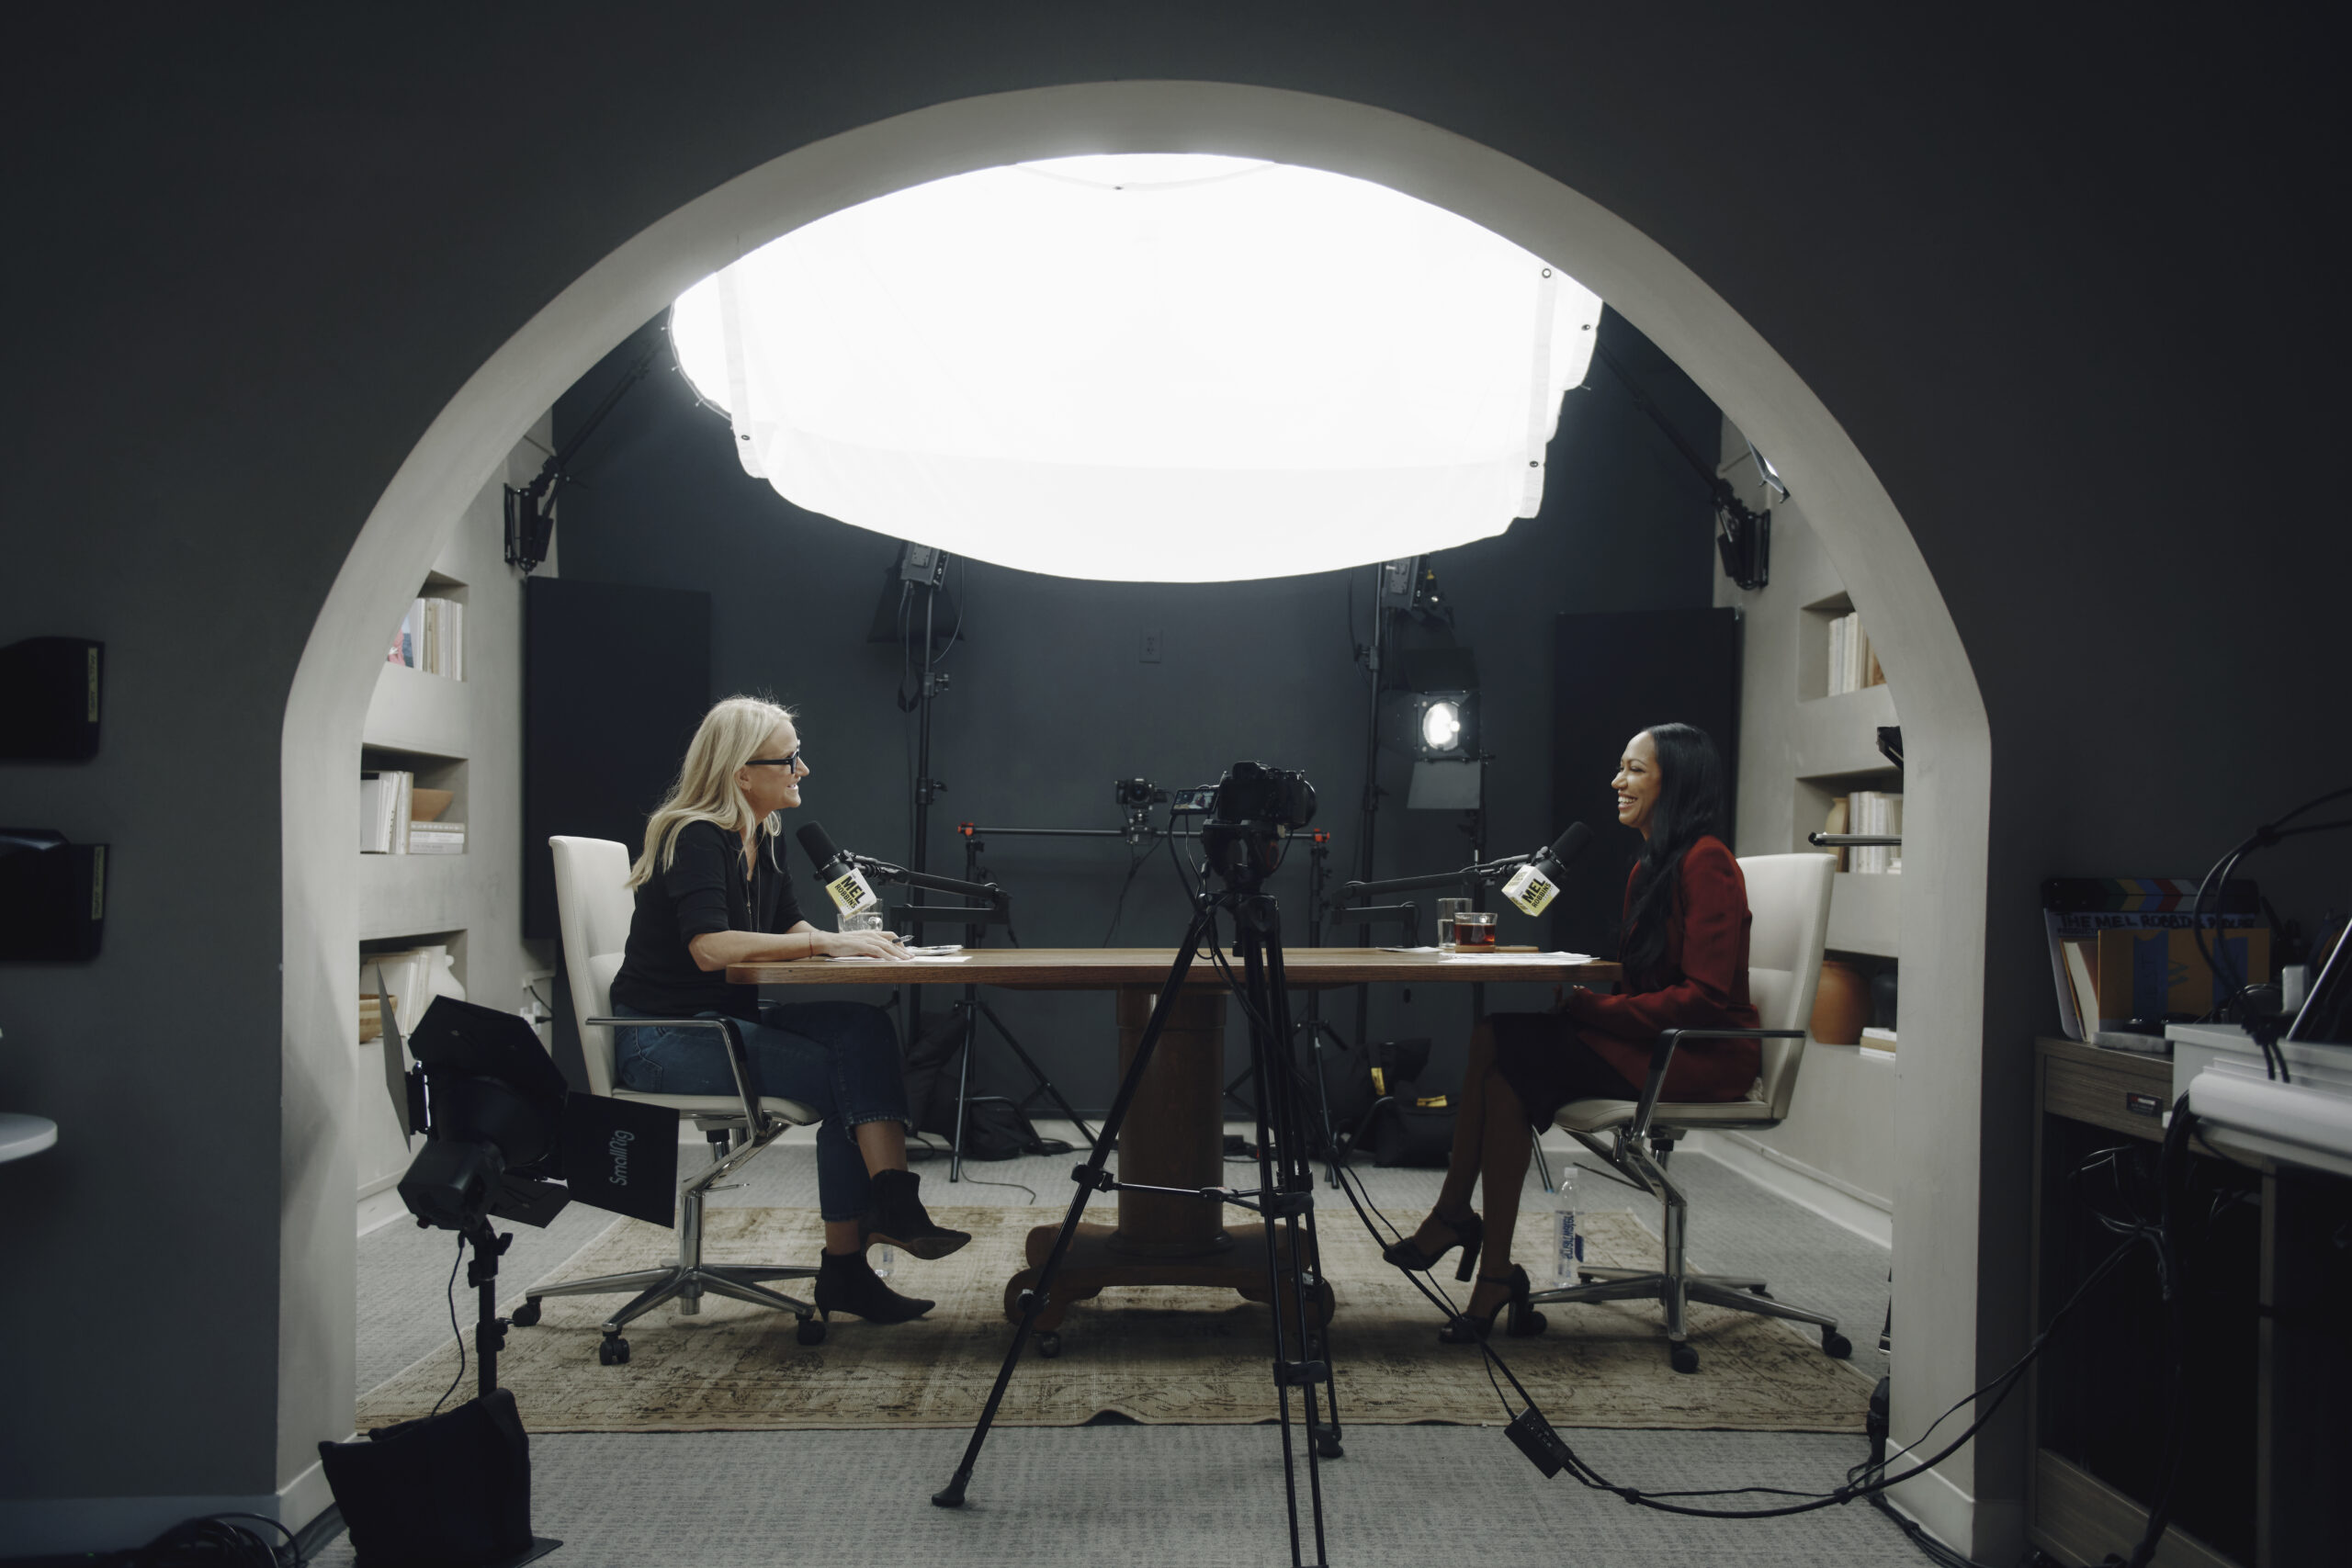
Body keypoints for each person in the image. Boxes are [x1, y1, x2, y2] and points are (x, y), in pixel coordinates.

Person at [1385, 721, 1760, 1342]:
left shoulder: (1708, 862)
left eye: (1635, 769)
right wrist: (1590, 1001)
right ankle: (1493, 1268)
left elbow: (1702, 1000)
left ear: (1678, 782)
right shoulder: (1652, 870)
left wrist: (1591, 1009)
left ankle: (1457, 1220)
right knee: (1500, 1053)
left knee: (1502, 1043)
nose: (1618, 780)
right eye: (1621, 767)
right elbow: (1647, 983)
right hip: (1655, 1041)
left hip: (1696, 1055)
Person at [607, 694, 967, 1328]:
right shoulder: (696, 836)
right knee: (844, 1081)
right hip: (664, 1039)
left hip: (725, 1024)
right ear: (743, 772)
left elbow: (789, 926)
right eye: (790, 759)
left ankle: (888, 1207)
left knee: (863, 1028)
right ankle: (852, 1260)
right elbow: (710, 947)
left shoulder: (762, 835)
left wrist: (858, 944)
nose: (802, 769)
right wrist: (824, 942)